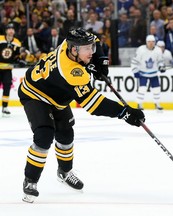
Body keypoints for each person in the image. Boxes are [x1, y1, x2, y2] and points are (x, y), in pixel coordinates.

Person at [18, 28, 145, 203]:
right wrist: (124, 112)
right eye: (87, 49)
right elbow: (94, 105)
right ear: (75, 50)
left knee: (66, 132)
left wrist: (101, 60)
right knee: (44, 136)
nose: (91, 51)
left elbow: (95, 40)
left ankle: (64, 172)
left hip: (57, 95)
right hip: (34, 94)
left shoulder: (68, 44)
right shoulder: (72, 72)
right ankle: (30, 180)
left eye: (91, 47)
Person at [131, 35, 165, 111]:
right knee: (142, 89)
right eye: (149, 42)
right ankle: (139, 104)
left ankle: (157, 103)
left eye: (153, 42)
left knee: (156, 89)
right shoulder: (141, 50)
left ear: (155, 42)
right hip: (143, 73)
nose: (151, 43)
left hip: (154, 73)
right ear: (146, 42)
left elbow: (160, 61)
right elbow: (134, 61)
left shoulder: (158, 50)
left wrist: (161, 67)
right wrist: (135, 71)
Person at [0, 23, 22, 116]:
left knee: (7, 87)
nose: (11, 30)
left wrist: (19, 59)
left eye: (12, 29)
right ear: (6, 31)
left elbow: (16, 55)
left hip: (8, 69)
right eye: (9, 29)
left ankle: (5, 107)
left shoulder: (17, 42)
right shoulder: (0, 39)